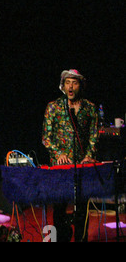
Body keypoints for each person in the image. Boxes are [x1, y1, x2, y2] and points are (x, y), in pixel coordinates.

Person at [42, 69, 99, 242]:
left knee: (82, 208)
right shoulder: (54, 106)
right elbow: (46, 137)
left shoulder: (89, 107)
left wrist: (89, 155)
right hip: (61, 166)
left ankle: (81, 238)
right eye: (68, 83)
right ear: (63, 85)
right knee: (59, 208)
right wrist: (58, 153)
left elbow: (94, 135)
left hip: (82, 165)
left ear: (80, 85)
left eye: (74, 82)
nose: (71, 86)